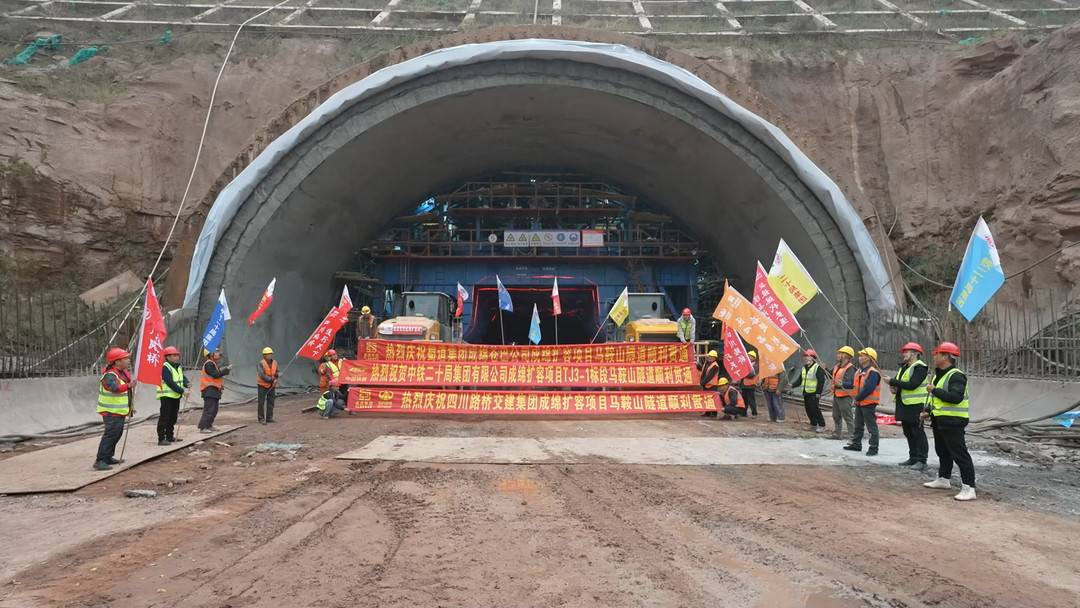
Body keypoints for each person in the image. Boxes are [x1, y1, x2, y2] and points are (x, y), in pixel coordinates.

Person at [922, 342, 976, 501]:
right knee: (943, 451)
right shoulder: (942, 374)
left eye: (937, 353)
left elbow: (955, 397)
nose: (934, 356)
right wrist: (929, 412)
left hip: (953, 421)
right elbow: (941, 402)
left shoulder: (956, 375)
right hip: (941, 420)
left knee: (960, 454)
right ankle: (944, 479)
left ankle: (969, 487)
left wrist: (934, 390)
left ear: (945, 356)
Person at [887, 342, 929, 471]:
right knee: (908, 432)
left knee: (917, 432)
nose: (904, 354)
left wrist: (892, 381)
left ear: (915, 353)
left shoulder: (920, 367)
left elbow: (912, 385)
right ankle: (913, 457)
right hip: (904, 404)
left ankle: (922, 460)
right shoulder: (904, 367)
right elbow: (901, 384)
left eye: (906, 352)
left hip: (916, 405)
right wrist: (894, 388)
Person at [94, 347, 133, 471]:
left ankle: (108, 457)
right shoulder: (109, 375)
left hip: (119, 411)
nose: (128, 361)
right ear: (117, 362)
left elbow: (126, 392)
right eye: (125, 359)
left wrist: (131, 407)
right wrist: (128, 386)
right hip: (110, 412)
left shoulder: (121, 373)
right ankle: (100, 460)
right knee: (110, 435)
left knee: (117, 434)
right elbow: (114, 388)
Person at [844, 347, 881, 456]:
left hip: (869, 403)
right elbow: (853, 385)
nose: (860, 357)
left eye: (862, 355)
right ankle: (856, 444)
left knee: (871, 427)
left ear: (870, 358)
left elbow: (869, 389)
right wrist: (842, 384)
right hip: (860, 402)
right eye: (860, 355)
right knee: (858, 425)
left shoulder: (873, 372)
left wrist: (857, 398)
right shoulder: (859, 372)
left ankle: (873, 448)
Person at [156, 346, 190, 446]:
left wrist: (186, 383)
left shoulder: (177, 366)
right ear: (168, 357)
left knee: (173, 417)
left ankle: (170, 436)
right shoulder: (165, 367)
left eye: (177, 355)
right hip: (166, 396)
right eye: (174, 355)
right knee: (165, 417)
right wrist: (182, 391)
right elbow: (170, 382)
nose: (176, 357)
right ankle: (161, 438)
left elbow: (182, 377)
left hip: (175, 395)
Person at [791, 349, 827, 432]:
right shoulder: (804, 368)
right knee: (808, 409)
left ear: (813, 358)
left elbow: (821, 381)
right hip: (806, 392)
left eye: (808, 356)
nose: (806, 358)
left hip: (814, 393)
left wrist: (818, 392)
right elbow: (800, 380)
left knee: (815, 409)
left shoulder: (817, 367)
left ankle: (822, 425)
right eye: (805, 356)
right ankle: (813, 424)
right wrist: (793, 385)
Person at [198, 349, 231, 433]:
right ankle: (203, 427)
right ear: (211, 354)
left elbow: (216, 377)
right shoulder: (209, 364)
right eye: (216, 352)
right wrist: (226, 370)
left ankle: (209, 425)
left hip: (214, 389)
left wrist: (220, 385)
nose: (219, 354)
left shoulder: (213, 364)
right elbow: (215, 375)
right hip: (209, 389)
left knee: (214, 409)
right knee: (209, 409)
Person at [830, 346, 857, 440]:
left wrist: (842, 383)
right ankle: (837, 434)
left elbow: (851, 383)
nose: (838, 355)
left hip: (845, 396)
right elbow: (830, 374)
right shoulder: (837, 366)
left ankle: (852, 436)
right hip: (836, 394)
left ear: (846, 356)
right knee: (835, 415)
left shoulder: (851, 368)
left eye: (840, 353)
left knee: (848, 417)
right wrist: (824, 368)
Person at [257, 347, 279, 424]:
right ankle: (261, 419)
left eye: (270, 354)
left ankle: (269, 418)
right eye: (268, 354)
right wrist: (272, 380)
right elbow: (262, 375)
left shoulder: (275, 363)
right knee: (261, 402)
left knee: (271, 402)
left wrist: (277, 376)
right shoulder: (261, 363)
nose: (270, 355)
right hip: (262, 385)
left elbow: (276, 372)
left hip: (272, 385)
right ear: (264, 355)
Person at [699, 349, 721, 417]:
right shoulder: (707, 363)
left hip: (712, 385)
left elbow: (709, 376)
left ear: (715, 358)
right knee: (707, 399)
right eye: (709, 356)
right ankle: (707, 412)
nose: (710, 357)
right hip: (706, 384)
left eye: (711, 356)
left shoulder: (715, 366)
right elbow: (703, 371)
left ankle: (714, 413)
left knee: (713, 399)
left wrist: (702, 383)